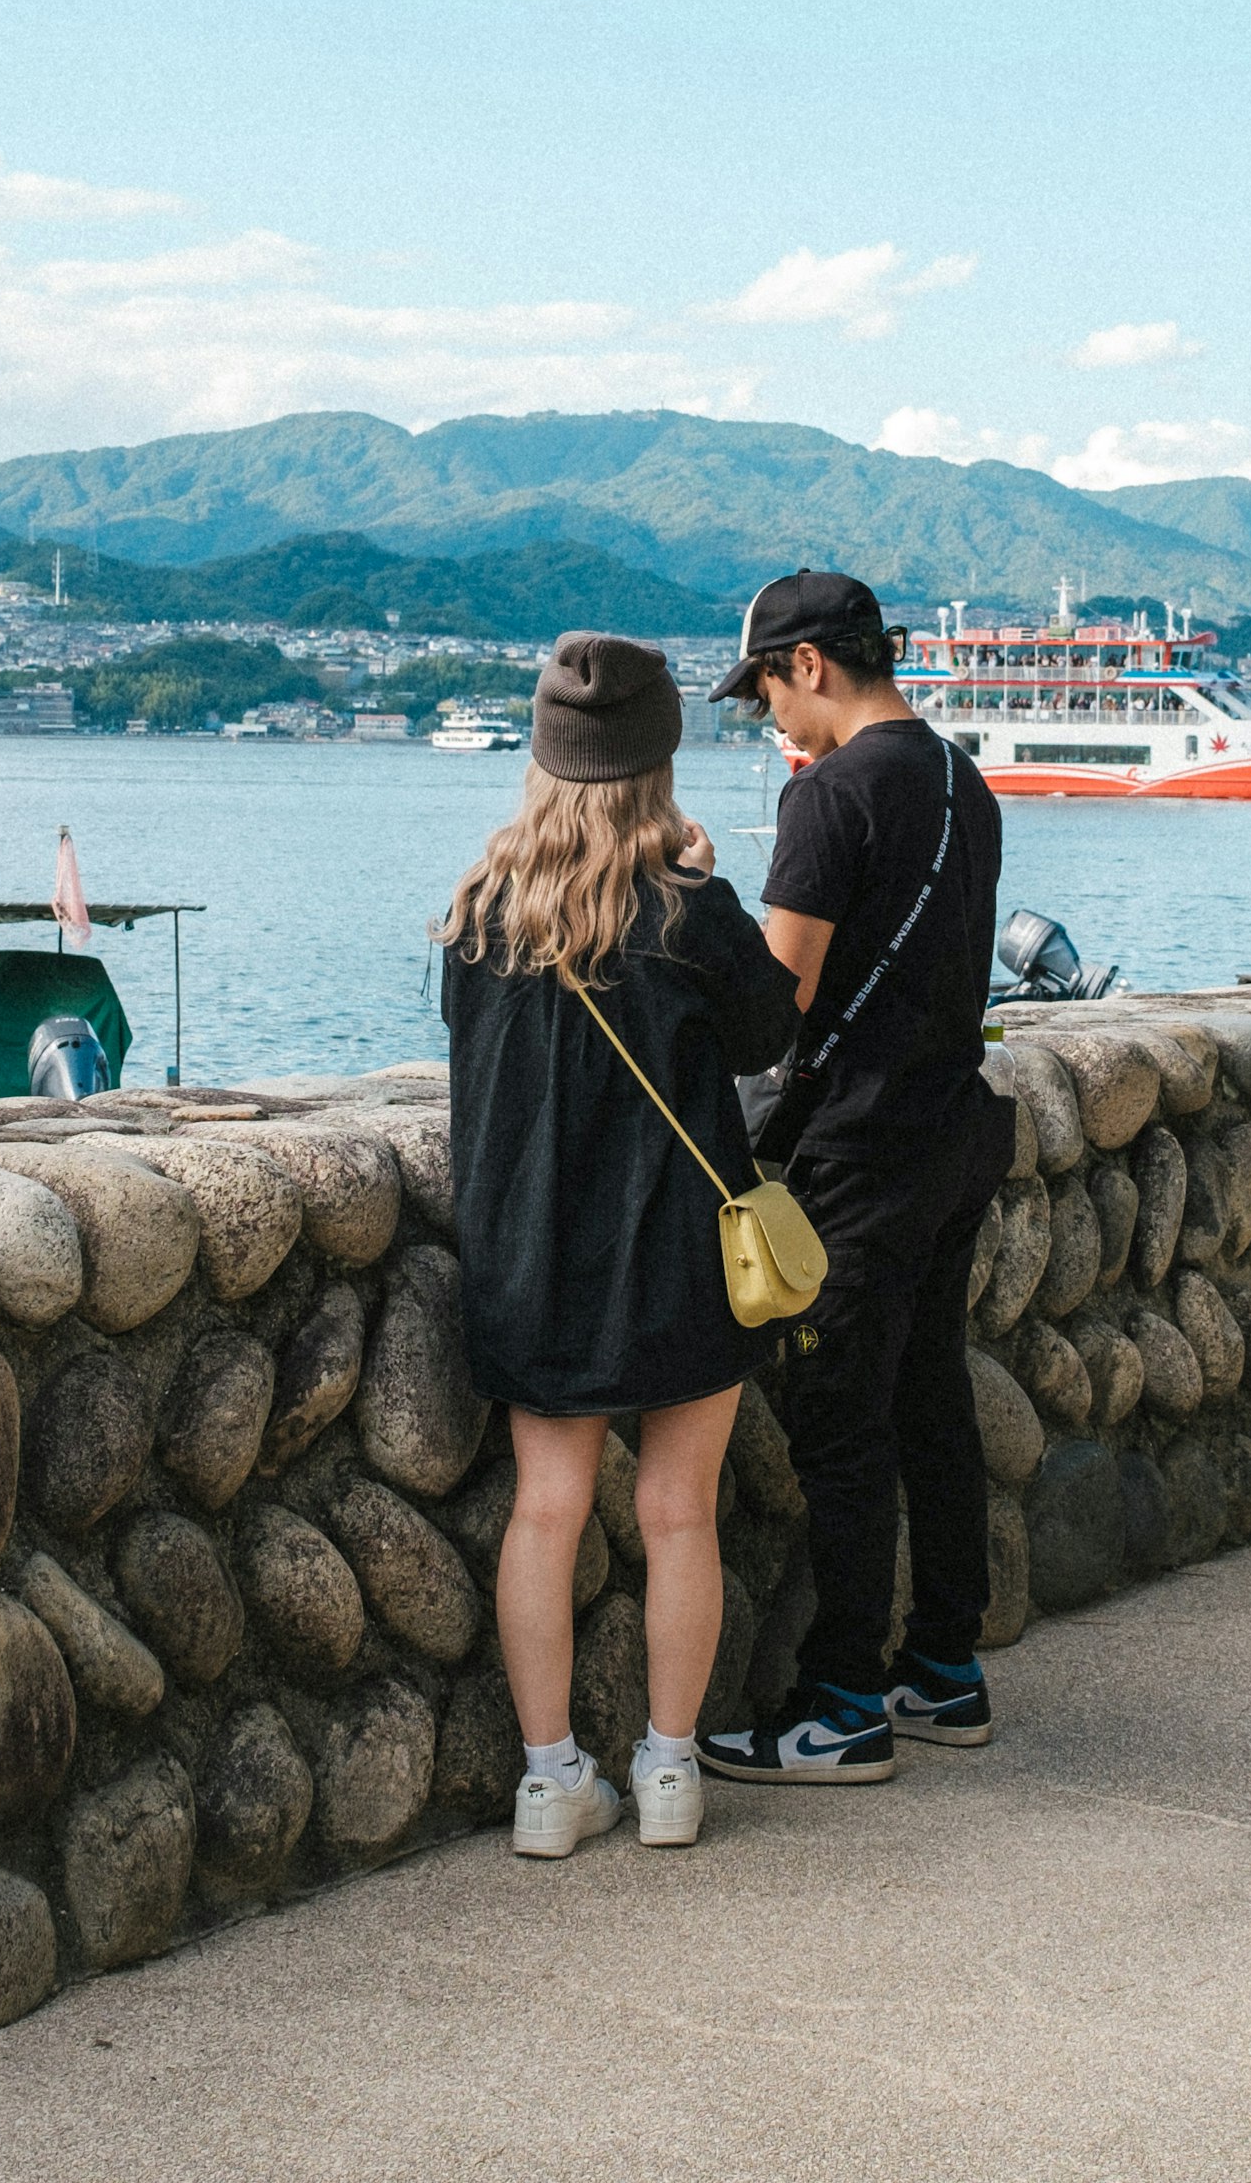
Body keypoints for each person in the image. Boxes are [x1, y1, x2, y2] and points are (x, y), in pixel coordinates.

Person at [437, 631, 800, 1857]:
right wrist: (704, 879)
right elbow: (765, 1037)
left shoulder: (481, 912)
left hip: (529, 1258)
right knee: (677, 1512)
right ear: (658, 761)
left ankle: (548, 1784)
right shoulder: (689, 909)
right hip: (674, 1258)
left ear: (544, 758)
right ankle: (671, 1771)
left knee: (547, 1509)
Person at [699, 571, 1011, 1788]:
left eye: (769, 687)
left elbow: (775, 1008)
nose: (770, 715)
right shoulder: (960, 779)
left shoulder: (829, 796)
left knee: (840, 1421)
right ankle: (943, 1665)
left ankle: (839, 1700)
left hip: (861, 1154)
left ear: (813, 664)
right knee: (930, 1397)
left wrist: (702, 898)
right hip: (951, 1131)